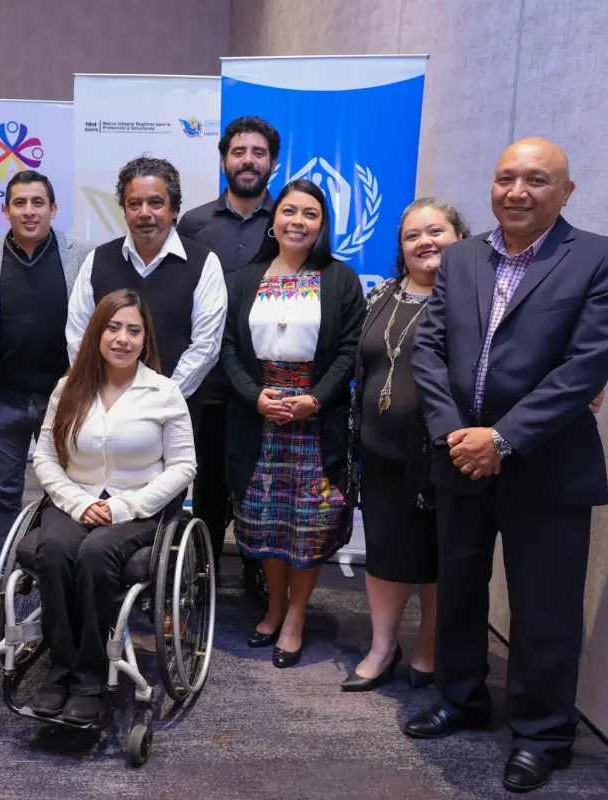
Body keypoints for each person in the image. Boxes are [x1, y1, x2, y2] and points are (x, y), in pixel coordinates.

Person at [408, 138, 608, 793]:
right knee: (459, 589)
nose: (517, 191)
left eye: (537, 180)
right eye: (506, 178)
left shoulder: (599, 257)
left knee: (544, 610)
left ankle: (541, 734)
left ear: (566, 191)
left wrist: (501, 439)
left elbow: (585, 366)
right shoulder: (460, 258)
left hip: (547, 467)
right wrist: (456, 435)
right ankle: (461, 698)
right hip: (458, 462)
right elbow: (429, 349)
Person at [31, 289, 196, 723]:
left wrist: (123, 508)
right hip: (73, 499)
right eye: (113, 327)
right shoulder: (68, 387)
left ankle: (88, 680)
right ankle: (59, 672)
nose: (122, 338)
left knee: (96, 554)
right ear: (97, 333)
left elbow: (183, 466)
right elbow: (45, 457)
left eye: (133, 330)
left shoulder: (164, 391)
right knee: (53, 552)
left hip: (138, 506)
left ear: (146, 339)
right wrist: (77, 502)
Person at [222, 179, 364, 669]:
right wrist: (256, 397)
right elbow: (228, 349)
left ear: (322, 225)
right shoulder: (247, 276)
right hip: (258, 415)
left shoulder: (341, 279)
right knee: (265, 519)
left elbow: (350, 351)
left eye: (310, 214)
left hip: (313, 419)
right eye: (289, 211)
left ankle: (297, 615)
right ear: (273, 219)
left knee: (307, 523)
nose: (298, 222)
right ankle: (274, 606)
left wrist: (315, 400)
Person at [341, 198, 471, 692]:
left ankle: (428, 647)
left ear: (460, 237)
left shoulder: (470, 300)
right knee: (385, 553)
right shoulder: (382, 297)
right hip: (378, 454)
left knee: (436, 556)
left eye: (436, 230)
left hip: (440, 453)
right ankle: (382, 647)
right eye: (412, 235)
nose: (424, 242)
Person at [0, 170, 90, 616]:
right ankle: (0, 582)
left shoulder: (81, 257)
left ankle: (61, 579)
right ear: (6, 210)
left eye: (38, 202)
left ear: (53, 209)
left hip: (64, 403)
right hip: (3, 402)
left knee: (67, 494)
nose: (29, 211)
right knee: (6, 495)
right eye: (20, 203)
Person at [178, 115, 280, 602]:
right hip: (210, 377)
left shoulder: (289, 220)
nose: (247, 161)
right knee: (212, 478)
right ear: (224, 160)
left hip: (270, 379)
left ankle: (259, 570)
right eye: (239, 152)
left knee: (259, 477)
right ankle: (203, 571)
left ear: (272, 164)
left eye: (258, 153)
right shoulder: (194, 223)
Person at [65, 157, 226, 401]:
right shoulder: (97, 260)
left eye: (155, 203)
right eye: (134, 204)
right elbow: (79, 336)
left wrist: (158, 401)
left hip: (175, 410)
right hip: (104, 407)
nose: (144, 213)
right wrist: (102, 394)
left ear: (174, 210)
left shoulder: (204, 263)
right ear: (124, 210)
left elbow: (206, 347)